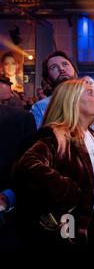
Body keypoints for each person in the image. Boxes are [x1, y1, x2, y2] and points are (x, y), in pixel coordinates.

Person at [12, 79, 94, 247]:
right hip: (70, 224)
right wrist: (67, 190)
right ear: (72, 100)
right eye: (90, 94)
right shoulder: (56, 134)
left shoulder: (92, 134)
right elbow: (26, 166)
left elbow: (86, 169)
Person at [31, 51, 94, 150]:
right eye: (54, 67)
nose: (61, 69)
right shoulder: (40, 107)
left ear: (75, 70)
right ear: (48, 78)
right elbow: (42, 143)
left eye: (65, 64)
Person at [0, 76, 36, 250]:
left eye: (5, 101)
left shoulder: (21, 120)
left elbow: (29, 168)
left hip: (8, 215)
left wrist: (9, 196)